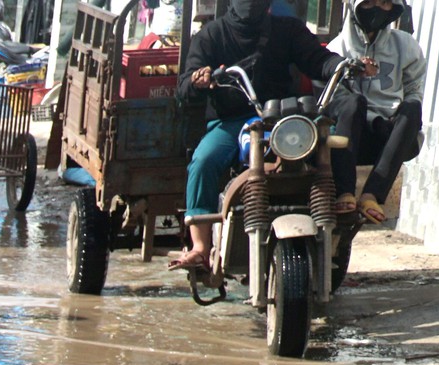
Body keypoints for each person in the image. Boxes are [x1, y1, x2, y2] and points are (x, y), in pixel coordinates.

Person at [172, 0, 340, 271]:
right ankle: (200, 247)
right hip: (230, 122)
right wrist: (197, 80)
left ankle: (339, 222)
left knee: (328, 142)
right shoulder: (211, 35)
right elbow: (184, 86)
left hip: (281, 119)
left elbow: (318, 60)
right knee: (203, 161)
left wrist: (342, 65)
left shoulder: (288, 30)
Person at [332, 0, 424, 227]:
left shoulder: (406, 45)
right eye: (369, 3)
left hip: (391, 136)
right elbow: (332, 99)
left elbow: (414, 89)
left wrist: (391, 120)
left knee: (413, 108)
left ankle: (372, 195)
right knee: (353, 102)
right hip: (353, 137)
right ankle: (345, 192)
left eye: (384, 3)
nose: (377, 9)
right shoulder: (337, 49)